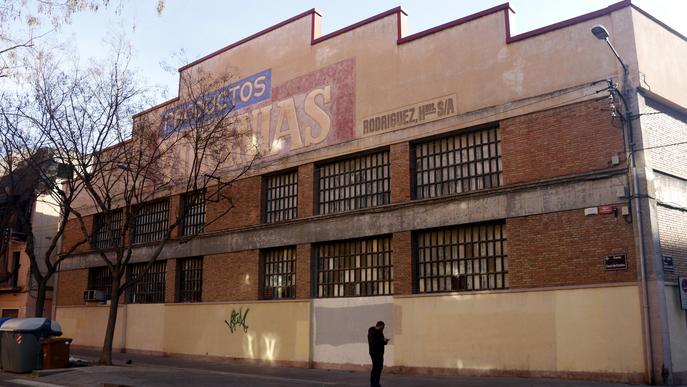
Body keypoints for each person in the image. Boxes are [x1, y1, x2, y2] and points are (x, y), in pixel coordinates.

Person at [367, 320, 390, 387]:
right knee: (376, 368)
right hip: (374, 353)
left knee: (379, 368)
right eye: (382, 327)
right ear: (379, 326)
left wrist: (385, 342)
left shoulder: (380, 332)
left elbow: (380, 342)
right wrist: (382, 340)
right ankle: (373, 384)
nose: (383, 329)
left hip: (380, 353)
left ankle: (377, 383)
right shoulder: (372, 332)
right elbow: (373, 342)